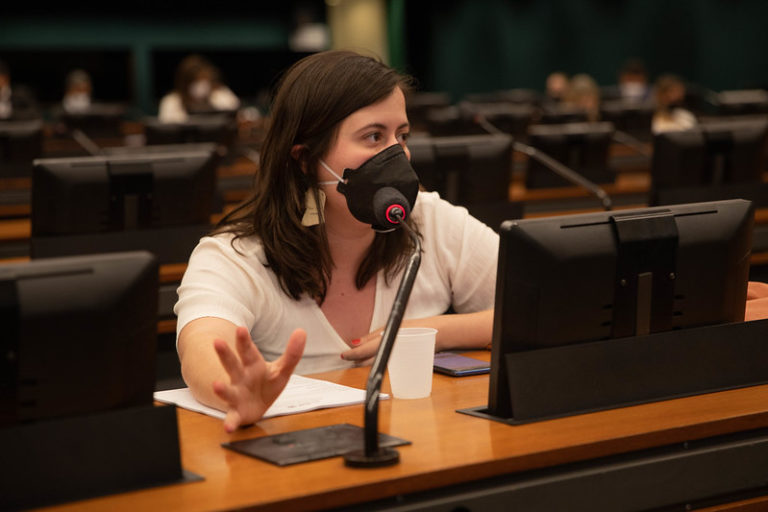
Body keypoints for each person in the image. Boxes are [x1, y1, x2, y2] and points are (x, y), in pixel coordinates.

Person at [174, 50, 499, 432]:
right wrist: (236, 388)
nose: (399, 155)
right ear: (304, 159)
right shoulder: (235, 255)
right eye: (373, 136)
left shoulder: (430, 221)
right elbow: (203, 346)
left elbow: (533, 306)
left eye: (402, 136)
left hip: (417, 442)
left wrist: (433, 332)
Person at [158, 54, 240, 123]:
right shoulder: (171, 101)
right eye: (196, 82)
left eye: (204, 81)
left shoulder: (221, 95)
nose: (201, 86)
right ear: (185, 84)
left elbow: (235, 114)